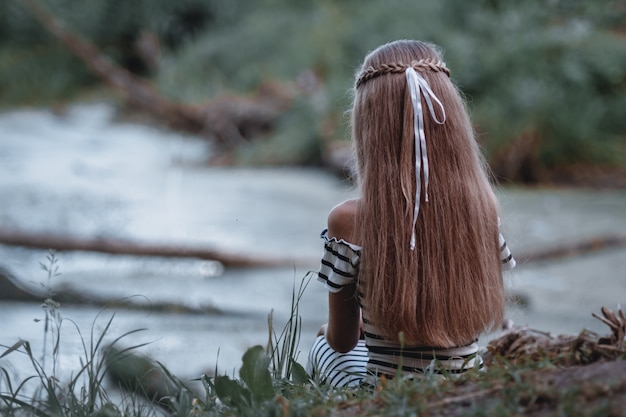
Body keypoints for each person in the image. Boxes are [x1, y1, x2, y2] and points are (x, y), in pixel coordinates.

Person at [306, 40, 516, 388]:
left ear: (369, 129)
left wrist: (337, 327)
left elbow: (342, 340)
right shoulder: (483, 206)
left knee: (322, 347)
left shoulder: (349, 220)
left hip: (387, 394)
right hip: (466, 388)